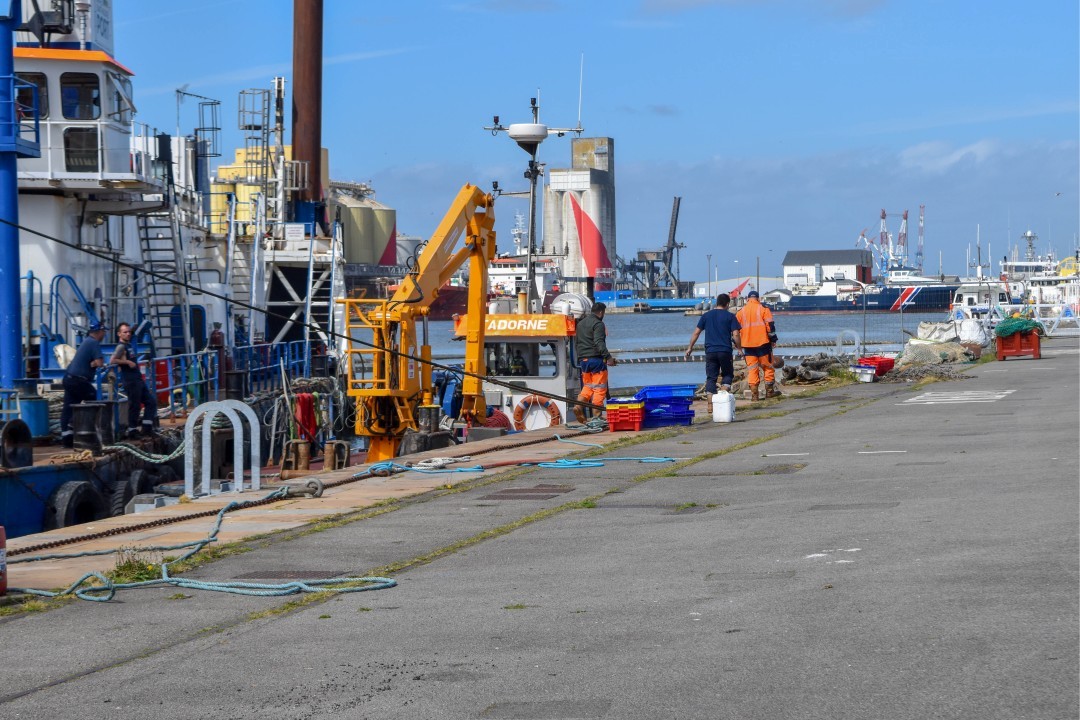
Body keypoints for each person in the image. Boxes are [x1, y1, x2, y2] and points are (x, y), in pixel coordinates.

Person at [60, 319, 107, 447]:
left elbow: (93, 362)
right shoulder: (94, 343)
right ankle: (92, 431)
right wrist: (95, 363)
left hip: (69, 378)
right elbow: (100, 363)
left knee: (69, 407)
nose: (104, 335)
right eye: (104, 332)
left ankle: (67, 439)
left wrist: (92, 363)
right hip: (78, 380)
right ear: (100, 332)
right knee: (94, 398)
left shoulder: (86, 342)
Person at [685, 293, 741, 397]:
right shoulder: (730, 316)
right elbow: (736, 334)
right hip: (725, 350)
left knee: (711, 377)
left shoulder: (706, 315)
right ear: (727, 304)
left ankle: (710, 406)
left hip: (710, 351)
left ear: (717, 303)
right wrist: (740, 349)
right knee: (728, 374)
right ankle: (723, 395)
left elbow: (696, 333)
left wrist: (690, 348)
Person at [110, 322, 158, 438]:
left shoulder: (129, 345)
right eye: (125, 332)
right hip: (130, 380)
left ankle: (147, 428)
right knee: (135, 405)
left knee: (150, 402)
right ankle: (132, 430)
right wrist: (127, 362)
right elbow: (112, 360)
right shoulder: (121, 346)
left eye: (129, 332)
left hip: (137, 379)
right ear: (119, 334)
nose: (128, 334)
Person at [574, 302, 617, 421]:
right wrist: (608, 358)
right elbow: (599, 343)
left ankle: (578, 406)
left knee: (588, 387)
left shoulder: (580, 324)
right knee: (599, 388)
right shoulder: (598, 324)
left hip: (583, 360)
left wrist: (581, 358)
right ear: (601, 312)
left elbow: (577, 342)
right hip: (596, 360)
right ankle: (597, 417)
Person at [736, 290, 780, 400]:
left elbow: (735, 331)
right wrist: (773, 339)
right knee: (768, 367)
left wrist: (738, 346)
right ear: (758, 299)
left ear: (747, 299)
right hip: (763, 343)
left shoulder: (741, 312)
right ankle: (769, 392)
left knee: (752, 369)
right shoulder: (764, 309)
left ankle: (754, 395)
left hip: (747, 345)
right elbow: (770, 326)